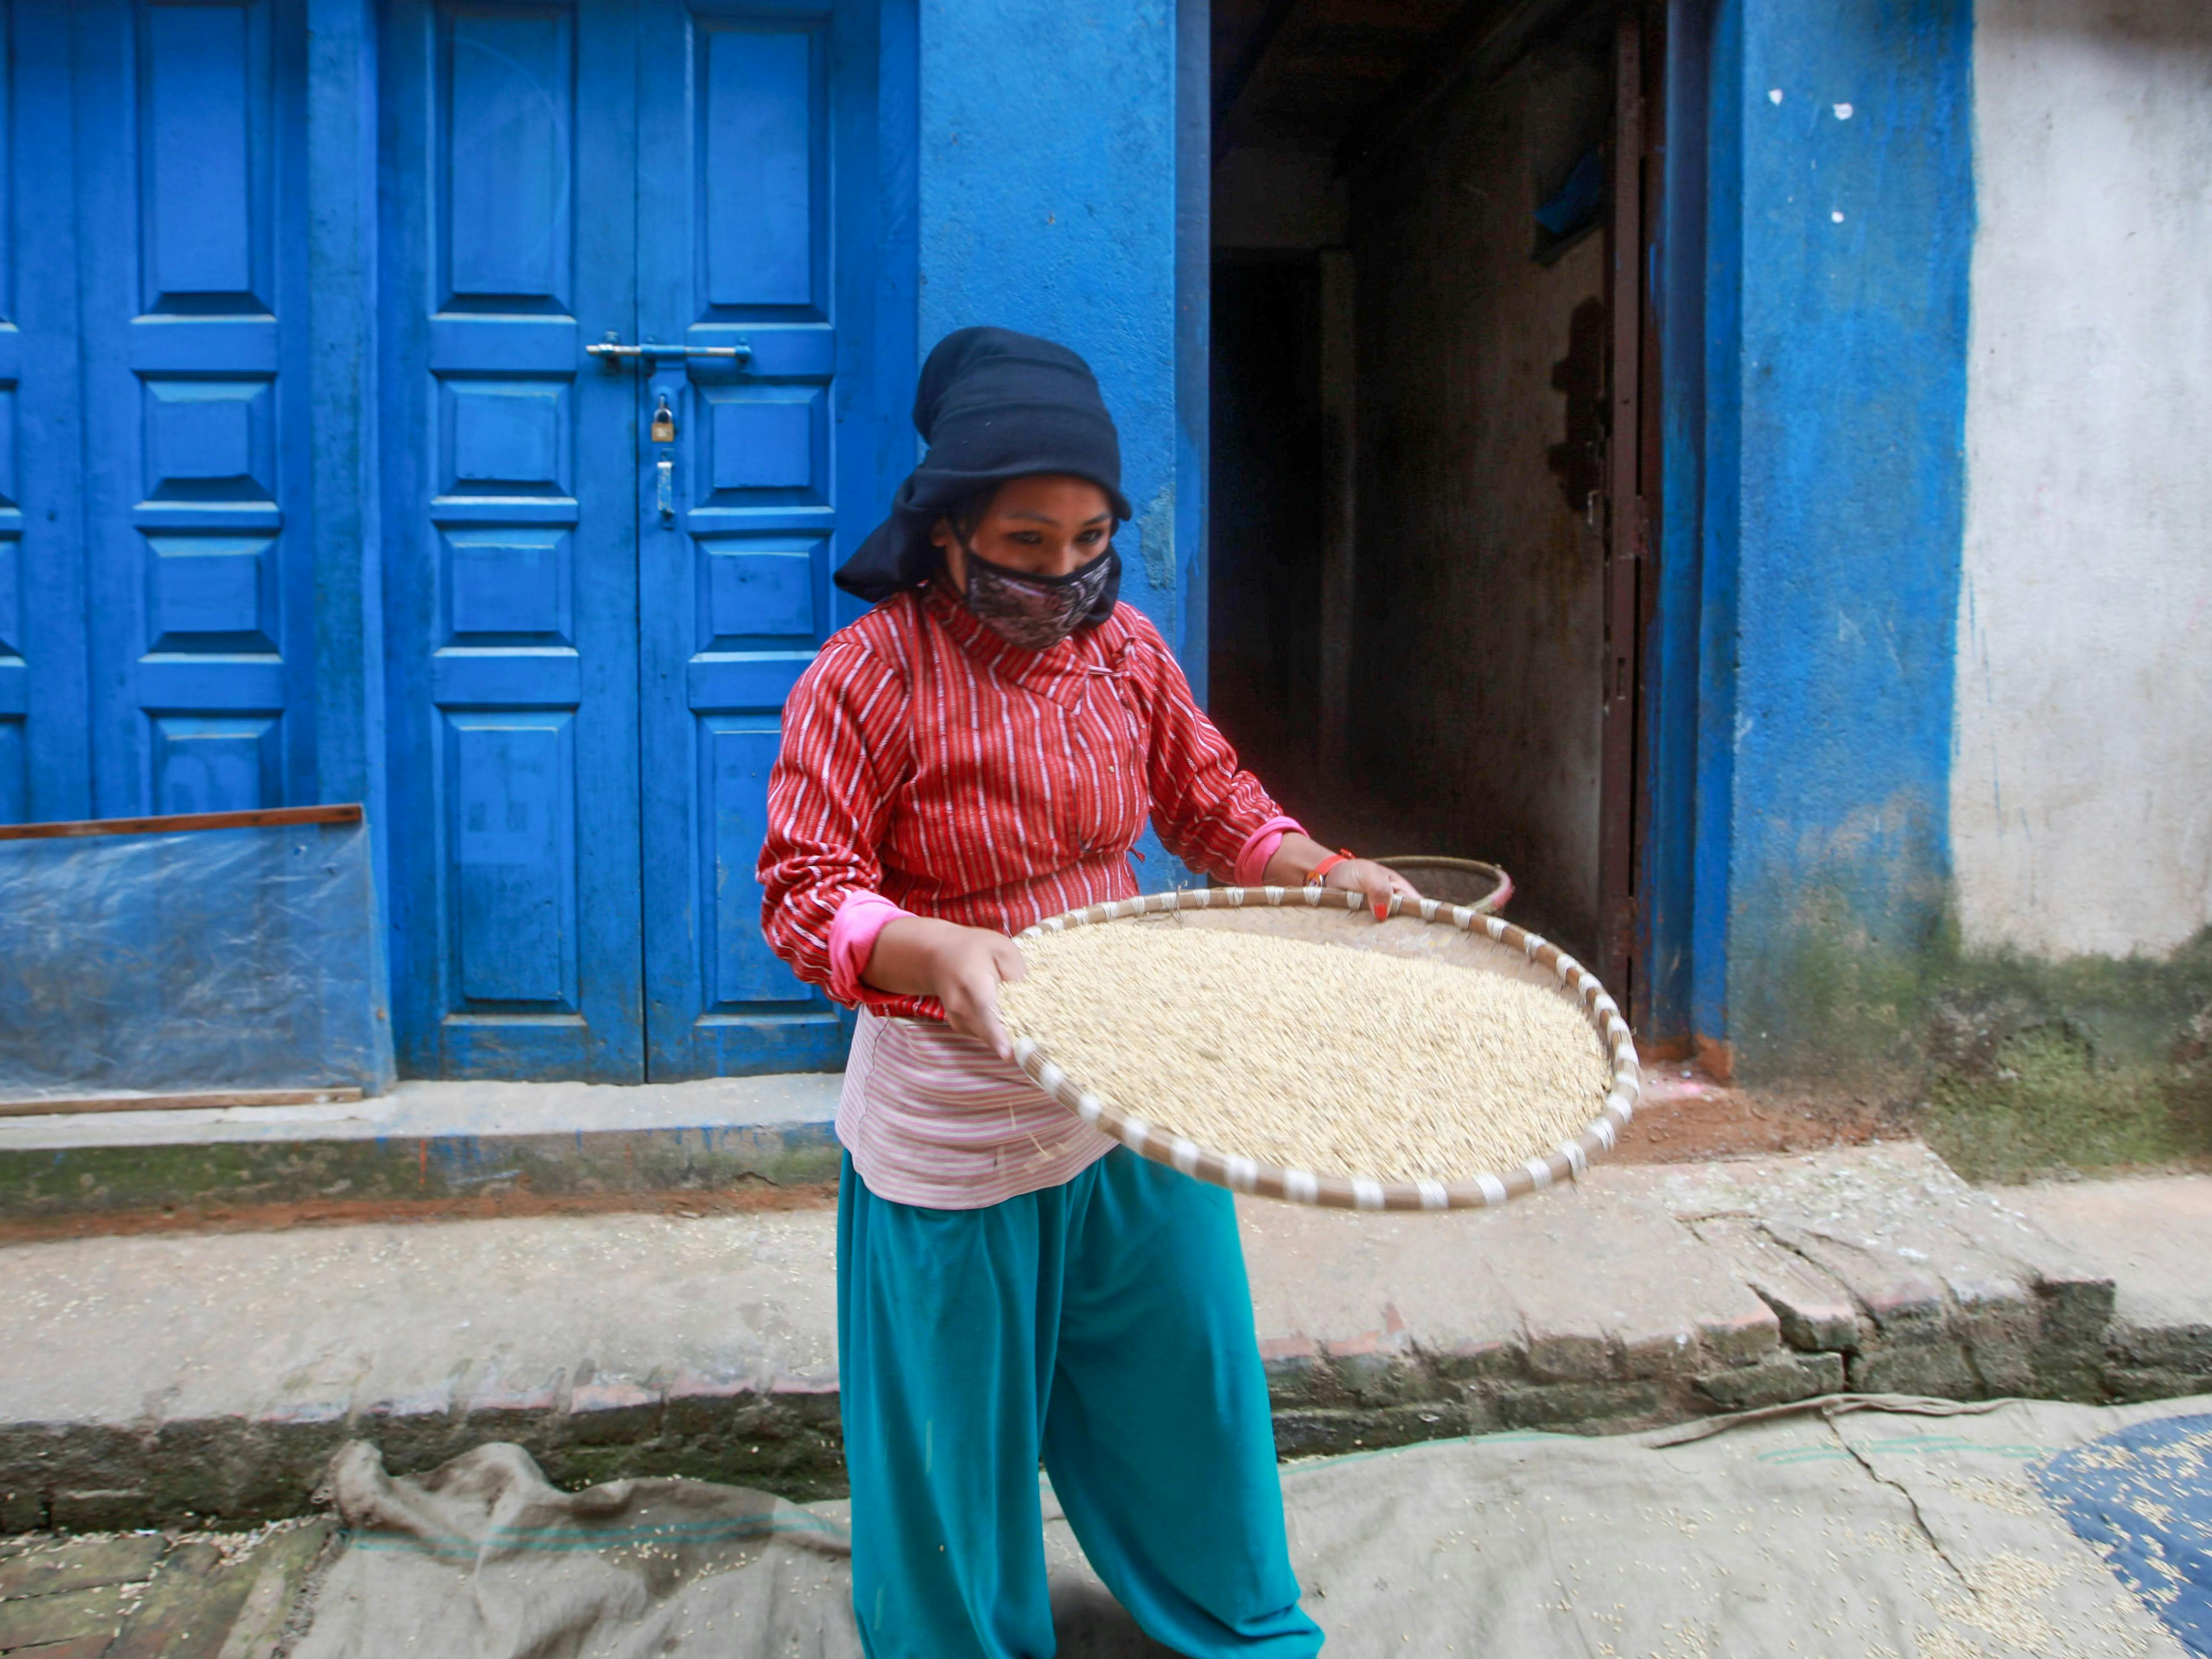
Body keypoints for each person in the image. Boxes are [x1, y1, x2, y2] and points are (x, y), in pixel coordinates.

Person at [759, 327, 1416, 1659]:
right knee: (958, 1437)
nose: (1061, 575)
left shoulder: (1126, 656)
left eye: (1088, 540)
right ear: (946, 529)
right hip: (958, 1119)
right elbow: (806, 890)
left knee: (1189, 1386)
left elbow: (1210, 803)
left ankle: (1234, 1619)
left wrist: (1325, 868)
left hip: (1132, 1080)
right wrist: (932, 952)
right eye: (1023, 542)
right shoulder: (863, 679)